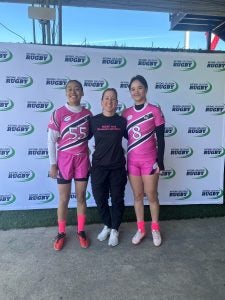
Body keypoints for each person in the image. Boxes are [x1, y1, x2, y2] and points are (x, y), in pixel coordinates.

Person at [48, 79, 92, 251]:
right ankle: (61, 233)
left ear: (82, 92)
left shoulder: (88, 114)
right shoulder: (58, 113)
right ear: (66, 92)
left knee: (81, 197)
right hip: (64, 161)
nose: (73, 92)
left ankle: (81, 231)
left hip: (82, 160)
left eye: (76, 89)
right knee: (64, 199)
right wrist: (53, 164)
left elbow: (90, 138)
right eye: (69, 89)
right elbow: (51, 141)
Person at [122, 75, 165, 247]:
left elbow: (161, 139)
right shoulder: (126, 113)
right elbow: (127, 135)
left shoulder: (155, 110)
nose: (136, 91)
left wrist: (160, 162)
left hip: (150, 161)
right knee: (138, 196)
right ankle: (141, 229)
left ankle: (155, 228)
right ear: (130, 92)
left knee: (152, 195)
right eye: (133, 89)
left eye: (140, 88)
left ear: (146, 89)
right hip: (132, 161)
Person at [89, 88, 127, 247]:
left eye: (113, 99)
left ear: (117, 103)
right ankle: (107, 225)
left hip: (117, 167)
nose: (109, 101)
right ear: (101, 102)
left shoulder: (122, 121)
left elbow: (136, 137)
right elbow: (81, 138)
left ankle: (115, 229)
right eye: (106, 98)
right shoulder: (94, 121)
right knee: (100, 198)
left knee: (117, 199)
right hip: (98, 167)